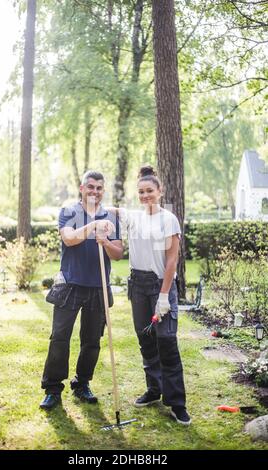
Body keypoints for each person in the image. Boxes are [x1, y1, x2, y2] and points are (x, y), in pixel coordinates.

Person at [40, 170, 123, 410]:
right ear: (81, 187)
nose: (94, 191)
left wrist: (105, 240)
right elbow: (69, 239)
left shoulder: (111, 217)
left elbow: (118, 253)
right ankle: (53, 389)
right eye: (90, 187)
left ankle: (82, 383)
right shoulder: (69, 212)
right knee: (59, 338)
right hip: (70, 284)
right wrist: (93, 226)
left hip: (98, 286)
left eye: (99, 188)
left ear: (103, 190)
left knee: (92, 340)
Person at [119, 165, 191, 425]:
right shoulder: (134, 218)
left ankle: (177, 403)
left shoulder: (167, 219)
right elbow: (110, 213)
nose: (145, 195)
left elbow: (172, 261)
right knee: (146, 339)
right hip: (137, 286)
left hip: (161, 285)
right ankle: (154, 389)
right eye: (141, 191)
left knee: (167, 340)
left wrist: (163, 296)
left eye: (150, 190)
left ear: (160, 192)